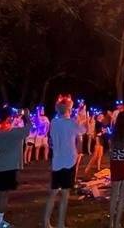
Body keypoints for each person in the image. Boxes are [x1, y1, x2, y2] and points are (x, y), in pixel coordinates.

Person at [44, 96, 87, 228]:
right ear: (68, 109)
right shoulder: (71, 123)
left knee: (53, 192)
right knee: (65, 194)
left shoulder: (54, 123)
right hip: (69, 161)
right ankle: (61, 223)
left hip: (57, 161)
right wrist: (82, 118)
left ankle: (46, 222)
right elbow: (84, 130)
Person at [0, 107, 31, 228]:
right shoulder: (15, 133)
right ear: (8, 118)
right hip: (10, 166)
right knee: (4, 194)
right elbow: (29, 127)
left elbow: (3, 128)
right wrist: (26, 115)